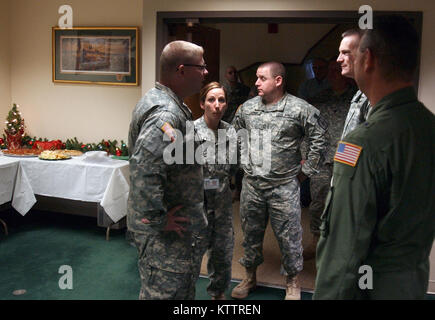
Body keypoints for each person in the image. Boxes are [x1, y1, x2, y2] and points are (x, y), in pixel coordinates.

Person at [314, 15, 435, 300]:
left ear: (367, 59)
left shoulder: (362, 143)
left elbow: (343, 250)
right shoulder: (428, 125)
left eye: (350, 54)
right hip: (411, 282)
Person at [231, 61, 327, 300]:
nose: (256, 82)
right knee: (250, 234)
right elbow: (235, 136)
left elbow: (320, 138)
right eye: (256, 77)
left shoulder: (299, 108)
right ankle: (249, 277)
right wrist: (244, 162)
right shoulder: (247, 108)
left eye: (262, 78)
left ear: (278, 80)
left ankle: (293, 282)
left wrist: (307, 170)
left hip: (284, 186)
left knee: (290, 237)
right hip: (252, 186)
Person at [127, 40, 209, 300]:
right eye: (202, 67)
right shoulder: (165, 114)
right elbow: (144, 169)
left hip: (176, 230)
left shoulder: (167, 101)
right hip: (167, 239)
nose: (206, 72)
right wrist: (156, 219)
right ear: (182, 70)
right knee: (166, 293)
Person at [303, 59, 356, 260]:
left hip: (347, 156)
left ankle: (341, 243)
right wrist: (305, 156)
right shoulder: (318, 99)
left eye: (337, 70)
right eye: (331, 70)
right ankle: (316, 239)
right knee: (318, 200)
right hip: (321, 157)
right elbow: (308, 130)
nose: (334, 74)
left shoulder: (357, 99)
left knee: (344, 201)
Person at [194, 82, 238, 300]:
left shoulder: (230, 132)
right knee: (191, 253)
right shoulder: (190, 132)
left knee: (222, 252)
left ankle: (218, 293)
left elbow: (236, 165)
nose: (217, 105)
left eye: (221, 100)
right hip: (196, 204)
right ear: (202, 103)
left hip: (221, 203)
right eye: (211, 100)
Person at [337, 29, 371, 139]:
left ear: (365, 55)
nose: (338, 59)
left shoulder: (374, 97)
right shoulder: (361, 94)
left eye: (345, 53)